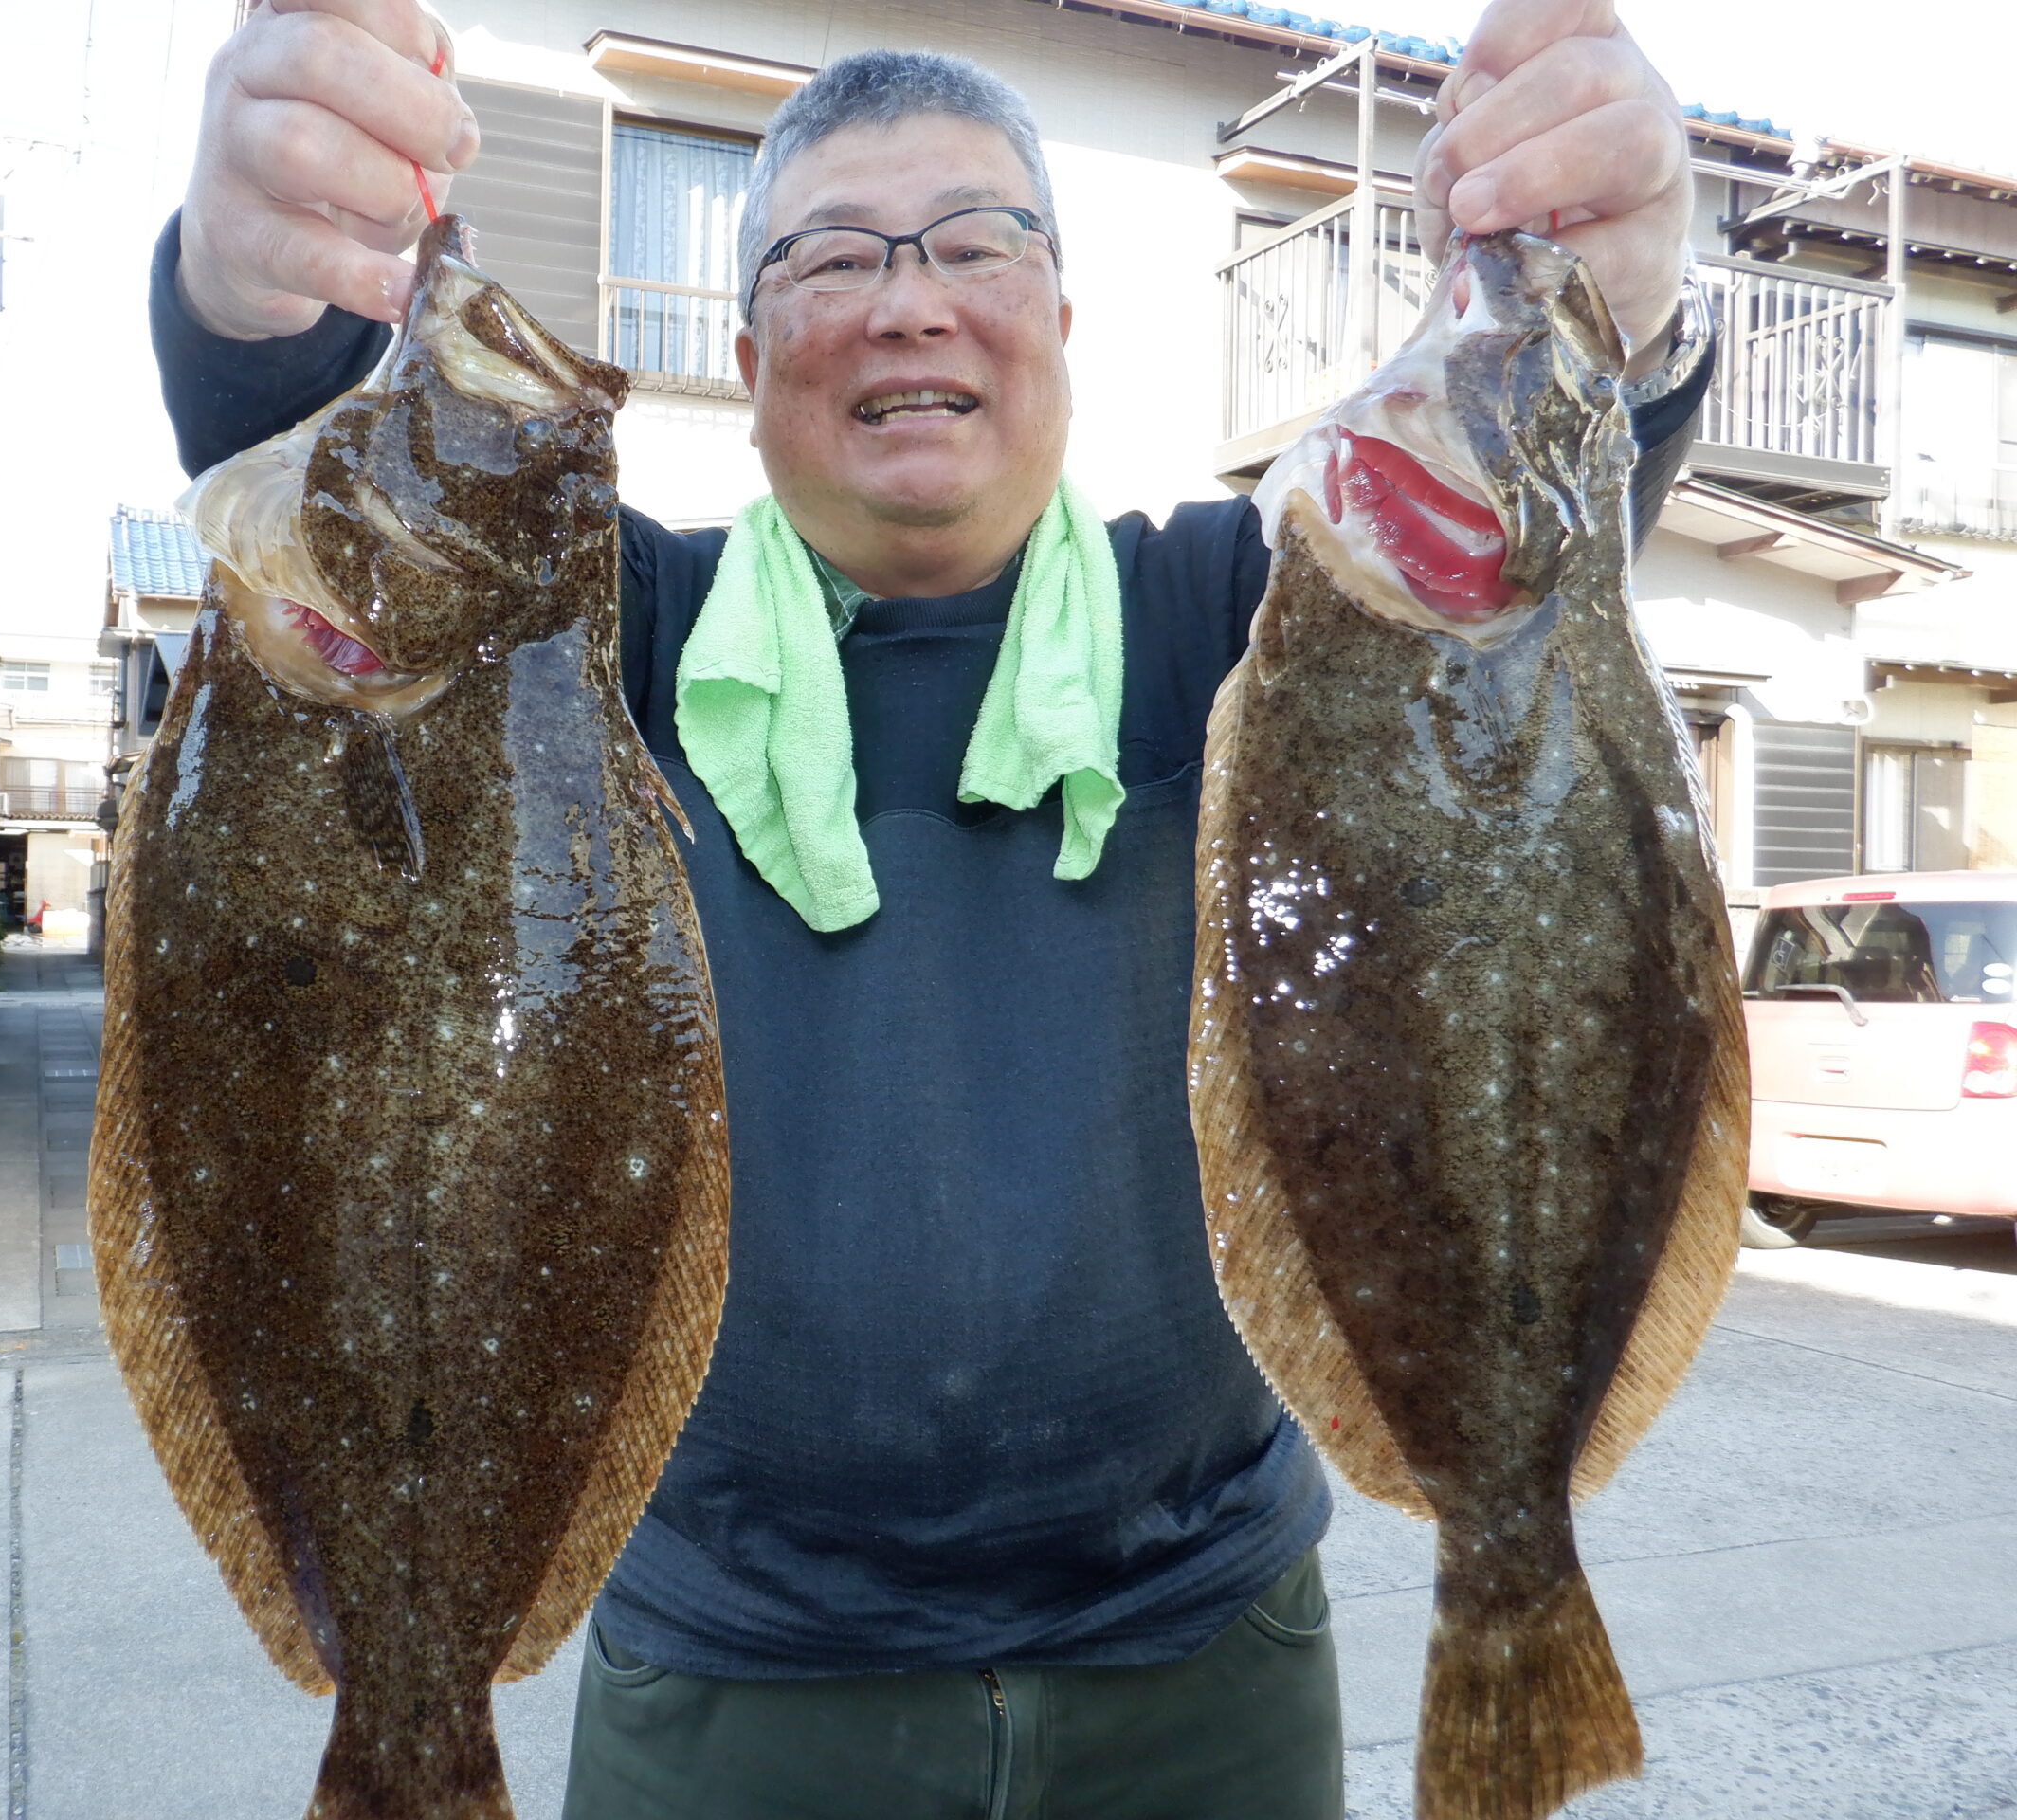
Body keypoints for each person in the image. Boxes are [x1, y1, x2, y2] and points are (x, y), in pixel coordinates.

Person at [149, 3, 1712, 1813]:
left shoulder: (1245, 624)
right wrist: (264, 287)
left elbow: (1526, 554)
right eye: (833, 259)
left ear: (1061, 326)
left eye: (978, 245)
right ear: (749, 360)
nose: (910, 304)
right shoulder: (585, 648)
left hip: (1205, 1657)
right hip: (732, 1683)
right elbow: (320, 500)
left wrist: (1621, 314)